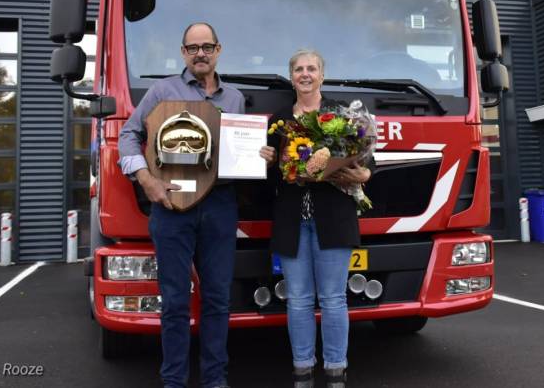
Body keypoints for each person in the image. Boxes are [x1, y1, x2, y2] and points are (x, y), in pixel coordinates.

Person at [118, 22, 244, 388]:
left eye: (207, 47)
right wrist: (146, 180)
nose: (200, 53)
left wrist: (261, 155)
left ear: (218, 50)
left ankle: (214, 381)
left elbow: (236, 151)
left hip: (220, 204)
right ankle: (173, 381)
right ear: (183, 52)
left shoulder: (234, 98)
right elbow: (129, 134)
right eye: (193, 48)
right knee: (173, 302)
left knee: (218, 299)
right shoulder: (161, 91)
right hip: (171, 206)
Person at [259, 49, 373, 388]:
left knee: (335, 298)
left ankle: (336, 369)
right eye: (298, 69)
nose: (305, 74)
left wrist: (363, 175)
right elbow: (269, 177)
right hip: (292, 219)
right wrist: (264, 162)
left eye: (312, 68)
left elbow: (368, 160)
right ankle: (302, 369)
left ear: (322, 75)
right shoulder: (278, 120)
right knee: (298, 299)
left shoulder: (340, 115)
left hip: (333, 217)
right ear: (291, 77)